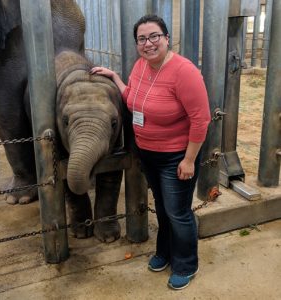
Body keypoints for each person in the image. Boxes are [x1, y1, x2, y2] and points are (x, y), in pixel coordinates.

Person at [90, 14, 211, 290]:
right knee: (164, 207)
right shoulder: (141, 66)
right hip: (148, 155)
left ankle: (186, 264)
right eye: (142, 39)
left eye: (154, 36)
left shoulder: (184, 71)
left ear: (167, 38)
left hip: (176, 157)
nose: (148, 43)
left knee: (178, 212)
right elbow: (132, 96)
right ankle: (165, 253)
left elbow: (201, 119)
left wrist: (189, 160)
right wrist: (114, 78)